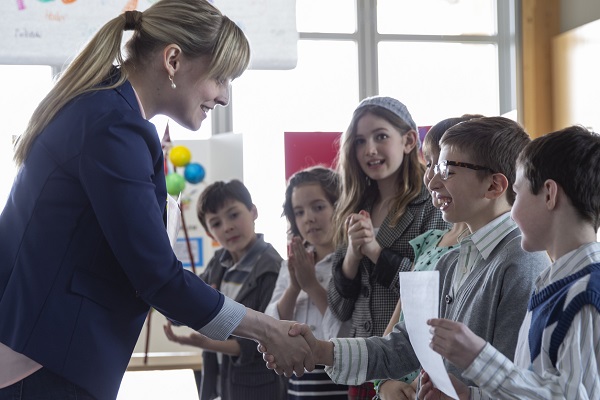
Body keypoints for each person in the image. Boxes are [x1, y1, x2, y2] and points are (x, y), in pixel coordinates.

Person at [0, 2, 312, 400]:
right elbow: (156, 276)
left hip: (45, 355)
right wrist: (265, 328)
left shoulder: (103, 112)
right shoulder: (113, 125)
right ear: (173, 59)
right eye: (220, 78)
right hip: (44, 362)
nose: (224, 98)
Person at [262, 116, 552, 399]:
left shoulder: (522, 261)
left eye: (448, 169)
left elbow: (519, 381)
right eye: (434, 166)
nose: (433, 182)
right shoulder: (450, 261)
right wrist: (320, 351)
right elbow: (405, 345)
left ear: (493, 186)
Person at [421, 125, 600, 400]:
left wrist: (478, 358)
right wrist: (470, 396)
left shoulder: (585, 294)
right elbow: (536, 388)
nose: (512, 213)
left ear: (550, 195)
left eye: (517, 194)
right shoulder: (557, 283)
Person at [327, 95, 449, 399]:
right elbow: (339, 307)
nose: (369, 150)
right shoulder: (354, 206)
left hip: (408, 370)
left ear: (409, 140)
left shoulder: (433, 202)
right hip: (363, 364)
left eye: (381, 136)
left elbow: (435, 289)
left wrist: (375, 252)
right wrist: (352, 257)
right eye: (359, 141)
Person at [374, 115, 481, 400]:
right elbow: (399, 321)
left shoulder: (478, 249)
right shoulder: (430, 242)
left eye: (443, 165)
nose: (432, 177)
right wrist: (384, 382)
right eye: (429, 163)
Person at [164, 180, 287, 400]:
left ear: (253, 212)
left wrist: (205, 342)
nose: (227, 227)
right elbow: (183, 303)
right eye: (216, 223)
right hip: (220, 387)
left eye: (233, 215)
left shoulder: (272, 269)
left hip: (259, 389)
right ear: (210, 234)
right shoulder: (217, 264)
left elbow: (262, 344)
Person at [265, 166, 350, 400]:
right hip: (299, 382)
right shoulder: (290, 264)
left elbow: (349, 330)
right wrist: (295, 286)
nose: (309, 218)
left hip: (341, 378)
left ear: (340, 206)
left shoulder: (352, 260)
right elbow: (271, 326)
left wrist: (311, 285)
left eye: (319, 207)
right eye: (299, 212)